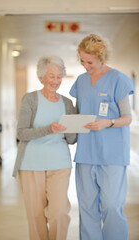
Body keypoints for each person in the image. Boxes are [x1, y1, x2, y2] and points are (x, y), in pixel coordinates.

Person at [69, 33, 134, 240]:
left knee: (112, 206)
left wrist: (109, 122)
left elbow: (127, 118)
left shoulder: (118, 79)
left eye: (90, 61)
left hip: (112, 155)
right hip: (86, 154)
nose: (85, 66)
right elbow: (80, 114)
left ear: (102, 57)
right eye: (82, 61)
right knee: (87, 208)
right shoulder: (81, 81)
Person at [12, 56, 76, 240]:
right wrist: (49, 129)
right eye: (51, 76)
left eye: (59, 76)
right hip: (31, 164)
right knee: (36, 216)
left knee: (59, 212)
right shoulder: (30, 99)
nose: (55, 81)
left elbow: (71, 140)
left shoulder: (67, 103)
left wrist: (76, 127)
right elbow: (22, 133)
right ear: (41, 77)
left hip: (60, 164)